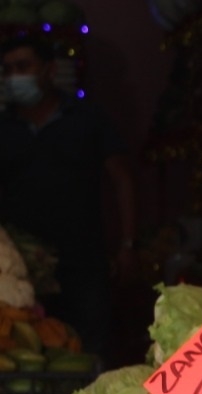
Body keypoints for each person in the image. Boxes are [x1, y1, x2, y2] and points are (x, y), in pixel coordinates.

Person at [0, 33, 136, 360]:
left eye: (23, 66)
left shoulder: (87, 117)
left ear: (48, 70)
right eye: (7, 70)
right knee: (28, 353)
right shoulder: (3, 127)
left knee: (90, 351)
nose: (15, 76)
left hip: (83, 261)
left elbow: (121, 180)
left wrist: (128, 245)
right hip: (22, 265)